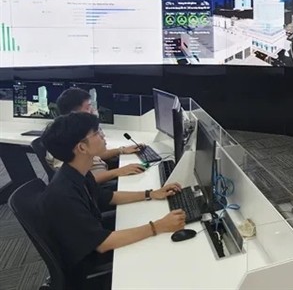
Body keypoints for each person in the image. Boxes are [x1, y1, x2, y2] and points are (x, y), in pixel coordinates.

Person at [41, 112, 186, 289]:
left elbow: (108, 197)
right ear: (82, 148)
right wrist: (158, 226)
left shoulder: (76, 172)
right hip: (87, 268)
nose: (103, 136)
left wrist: (151, 193)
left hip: (93, 243)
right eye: (97, 133)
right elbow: (103, 244)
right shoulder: (63, 194)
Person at [48, 87, 145, 183]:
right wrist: (118, 171)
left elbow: (97, 154)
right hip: (99, 186)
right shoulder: (64, 139)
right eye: (88, 107)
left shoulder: (81, 132)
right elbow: (79, 182)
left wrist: (121, 150)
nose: (93, 110)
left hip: (104, 173)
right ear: (75, 114)